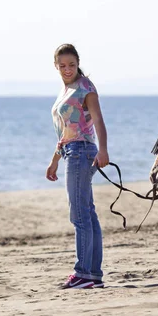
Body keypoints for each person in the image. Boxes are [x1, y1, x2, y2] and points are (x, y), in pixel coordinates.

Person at [46, 44, 110, 289]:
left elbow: (99, 120)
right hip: (72, 152)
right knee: (88, 212)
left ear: (78, 63)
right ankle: (93, 274)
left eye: (71, 64)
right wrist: (54, 160)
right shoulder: (65, 90)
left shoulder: (85, 87)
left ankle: (83, 273)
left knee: (80, 214)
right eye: (62, 65)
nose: (67, 69)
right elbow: (65, 132)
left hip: (82, 152)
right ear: (56, 66)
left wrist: (103, 149)